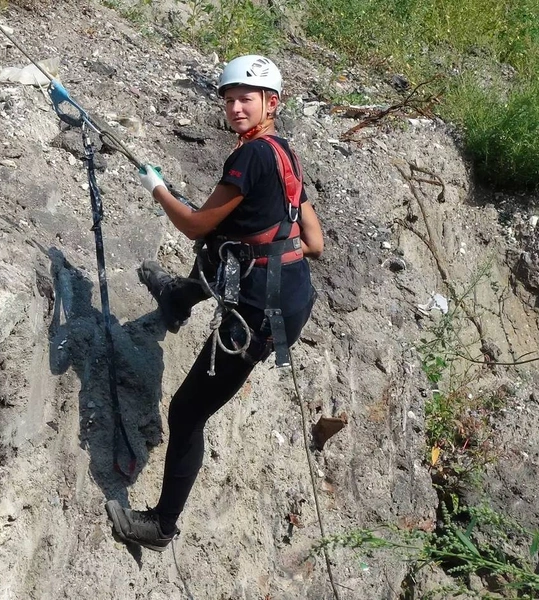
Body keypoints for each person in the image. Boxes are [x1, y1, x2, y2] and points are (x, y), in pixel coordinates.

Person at [106, 54, 324, 552]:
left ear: (272, 102)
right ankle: (178, 299)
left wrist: (157, 187)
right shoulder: (283, 152)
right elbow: (314, 241)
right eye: (229, 99)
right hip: (290, 294)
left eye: (246, 98)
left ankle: (161, 526)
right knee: (225, 246)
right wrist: (259, 246)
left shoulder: (248, 157)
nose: (235, 107)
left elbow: (193, 225)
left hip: (258, 314)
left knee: (185, 414)